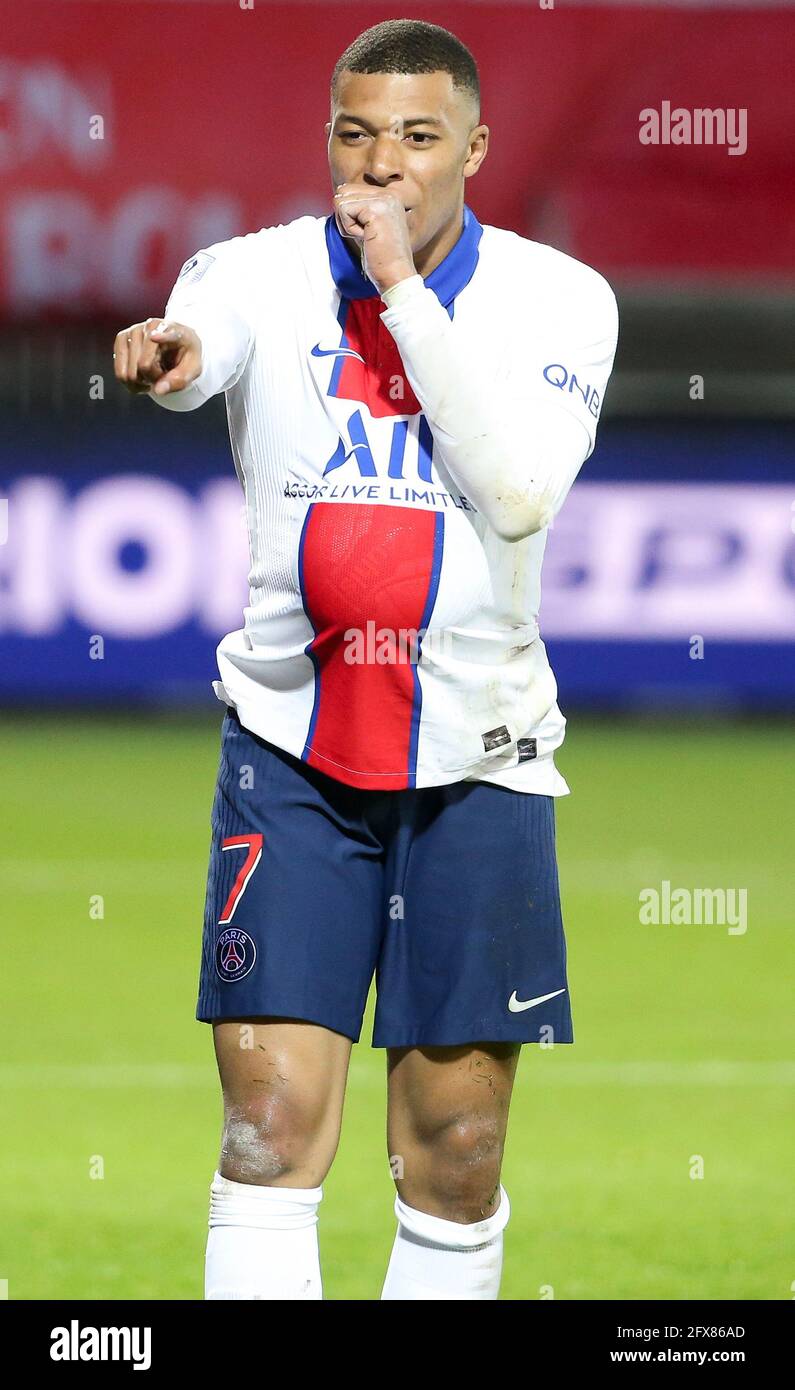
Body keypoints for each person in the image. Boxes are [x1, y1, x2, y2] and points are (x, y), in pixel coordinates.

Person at [113, 17, 618, 1301]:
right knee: (266, 1125)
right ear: (325, 140)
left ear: (475, 150)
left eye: (416, 136)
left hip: (479, 762)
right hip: (292, 753)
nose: (381, 163)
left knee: (456, 1147)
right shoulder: (255, 272)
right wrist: (172, 362)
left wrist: (399, 289)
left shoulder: (563, 299)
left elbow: (513, 491)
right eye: (354, 133)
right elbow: (199, 343)